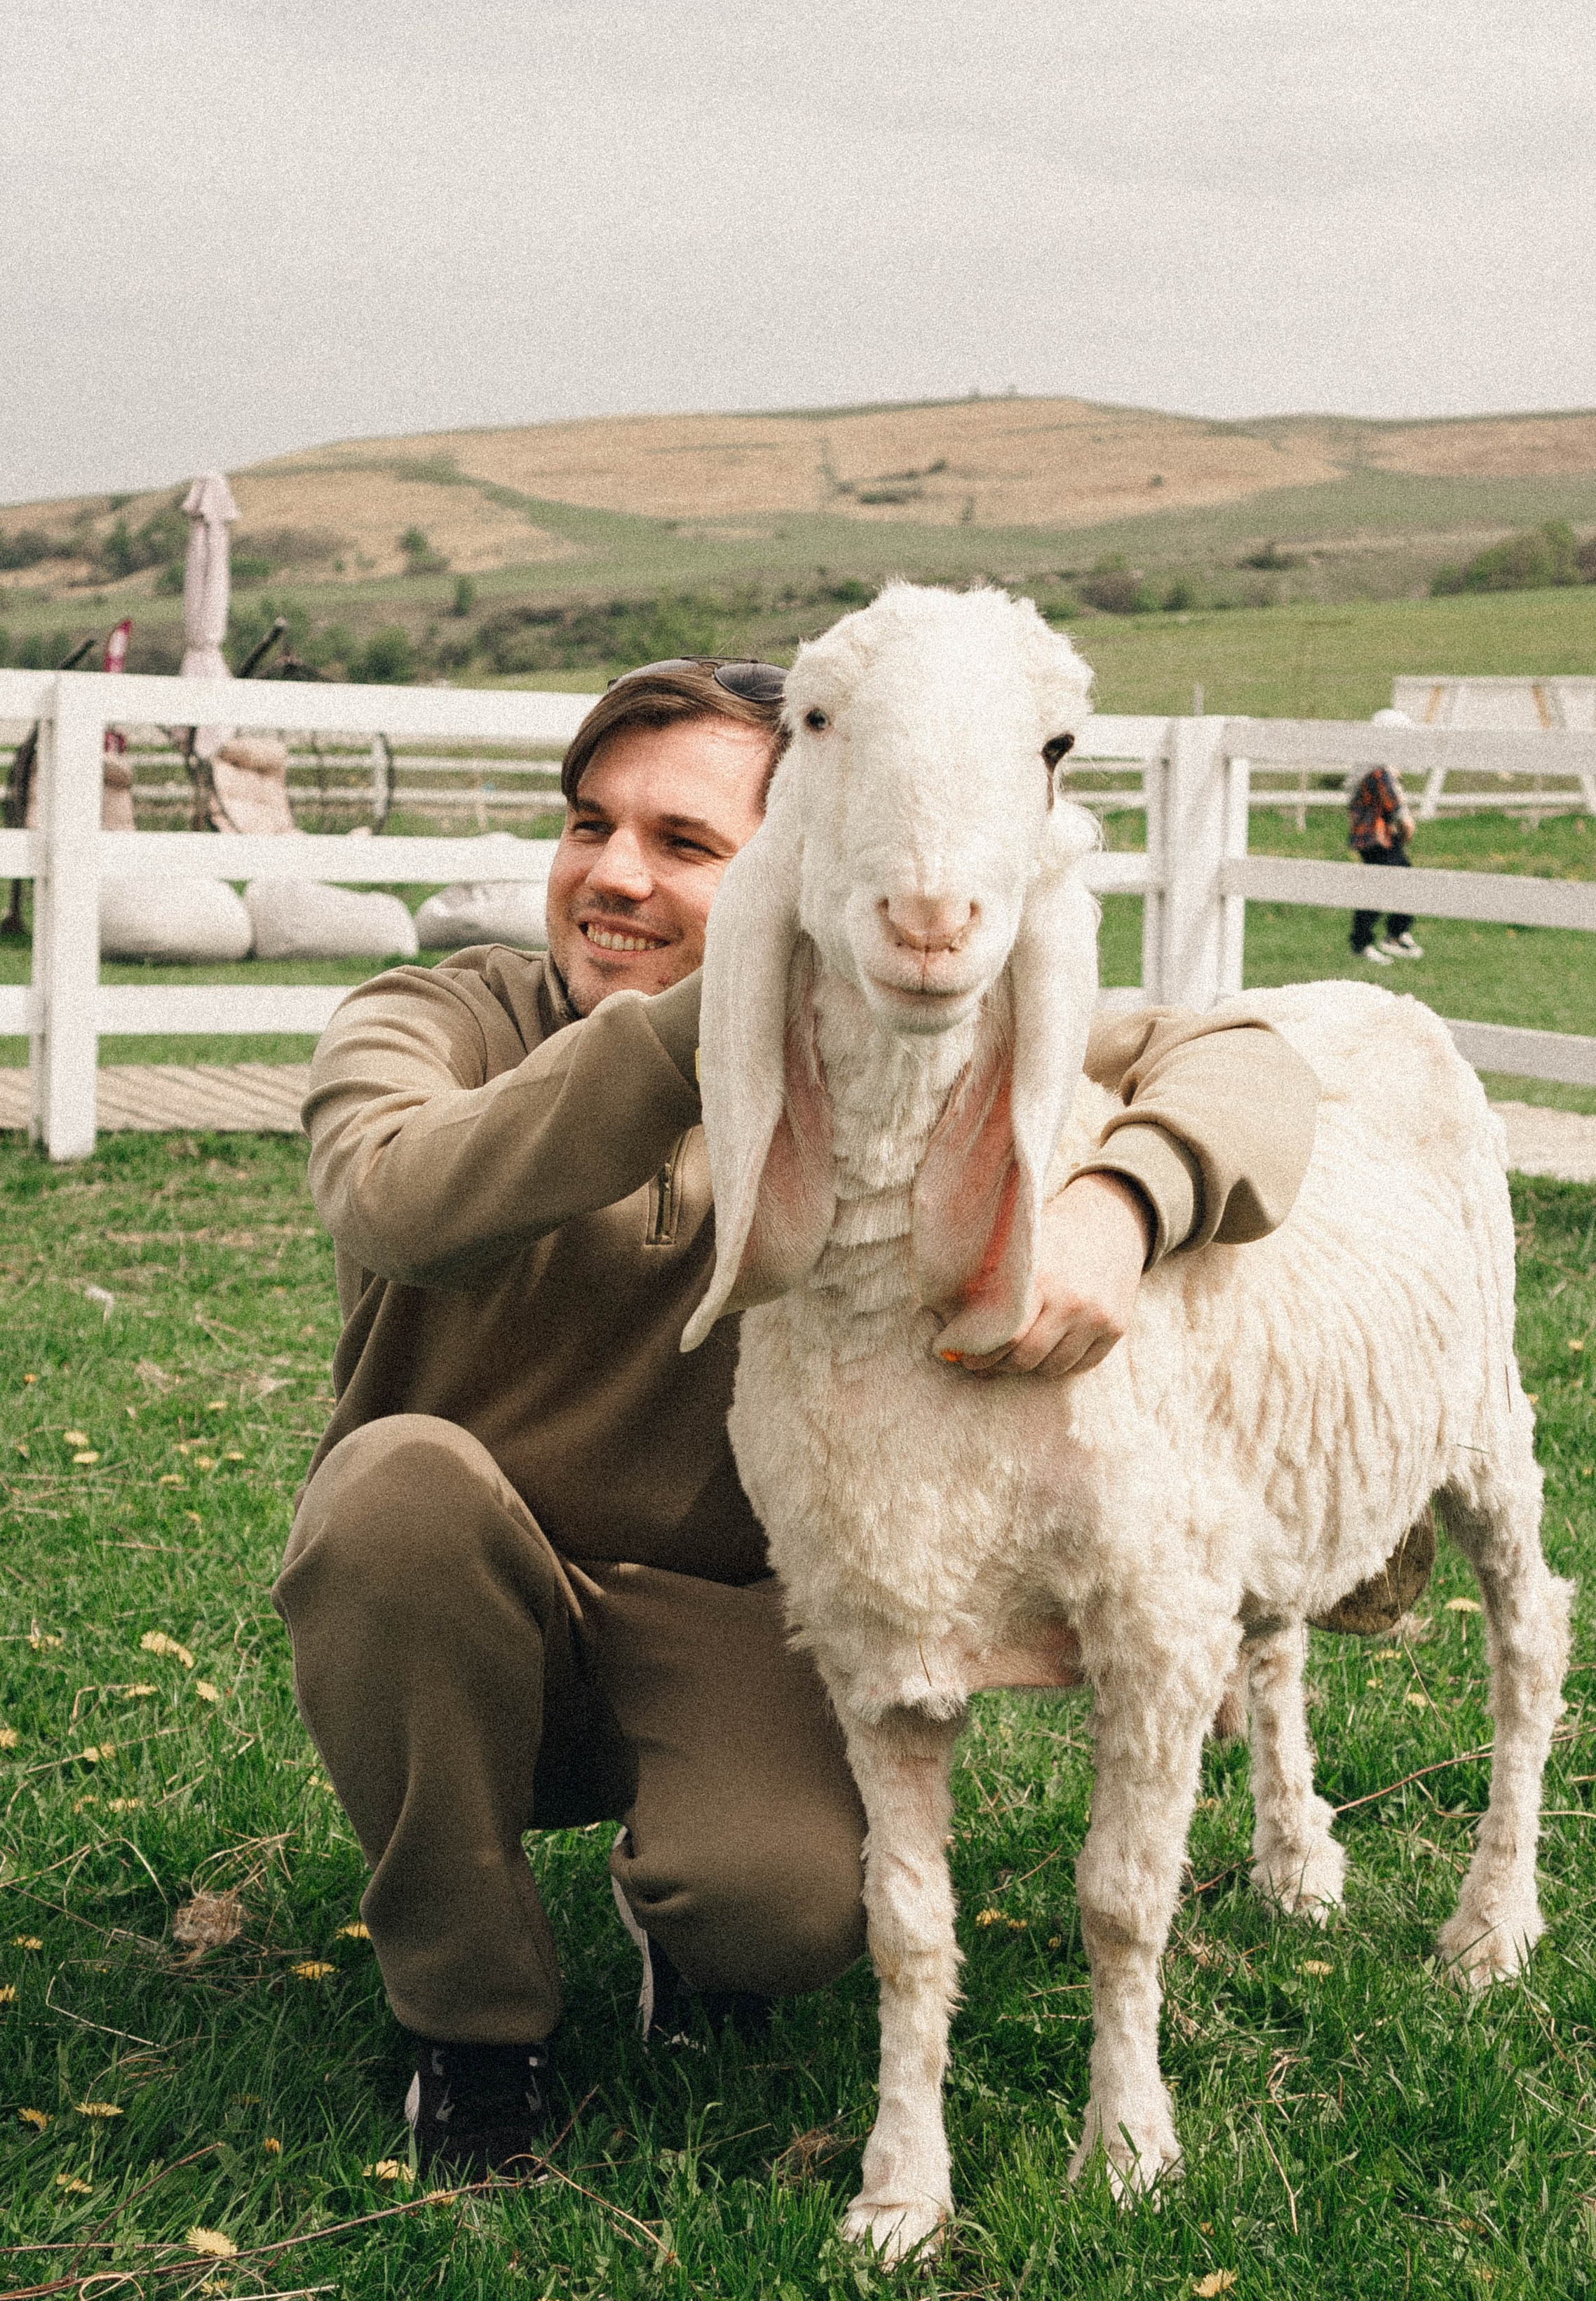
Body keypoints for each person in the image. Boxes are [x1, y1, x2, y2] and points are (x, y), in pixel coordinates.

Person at [277, 656, 1323, 2173]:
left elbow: (1249, 1067)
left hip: (736, 1624)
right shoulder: (436, 1018)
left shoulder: (890, 1049)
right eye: (589, 826)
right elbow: (397, 1197)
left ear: (798, 861)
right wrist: (726, 1015)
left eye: (686, 847)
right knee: (391, 1490)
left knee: (784, 1913)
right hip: (457, 1608)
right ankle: (473, 2026)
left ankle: (691, 1934)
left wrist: (1118, 1200)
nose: (611, 876)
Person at [1347, 706, 1423, 966]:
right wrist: (1406, 828)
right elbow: (1397, 810)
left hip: (1372, 839)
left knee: (1393, 883)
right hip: (1377, 839)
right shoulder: (1380, 772)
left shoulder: (1370, 768)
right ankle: (1376, 939)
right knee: (1382, 888)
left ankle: (1391, 934)